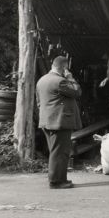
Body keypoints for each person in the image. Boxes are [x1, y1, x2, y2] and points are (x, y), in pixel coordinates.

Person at [36, 55, 82, 189]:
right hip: (59, 121)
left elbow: (39, 103)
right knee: (60, 152)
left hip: (47, 121)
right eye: (66, 69)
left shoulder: (41, 80)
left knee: (56, 151)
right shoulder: (60, 81)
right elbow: (77, 92)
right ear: (63, 68)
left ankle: (60, 179)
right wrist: (70, 77)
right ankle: (56, 181)